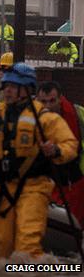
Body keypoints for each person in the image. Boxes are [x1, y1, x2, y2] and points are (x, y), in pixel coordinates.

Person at [0, 62, 78, 259]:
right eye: (6, 86)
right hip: (2, 187)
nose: (7, 91)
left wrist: (55, 150)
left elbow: (70, 145)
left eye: (12, 87)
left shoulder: (45, 119)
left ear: (26, 89)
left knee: (27, 245)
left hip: (34, 187)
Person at [36, 81, 84, 228]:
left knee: (74, 227)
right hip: (44, 183)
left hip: (73, 180)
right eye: (43, 101)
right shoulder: (29, 118)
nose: (48, 106)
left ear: (60, 98)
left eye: (52, 100)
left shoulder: (77, 114)